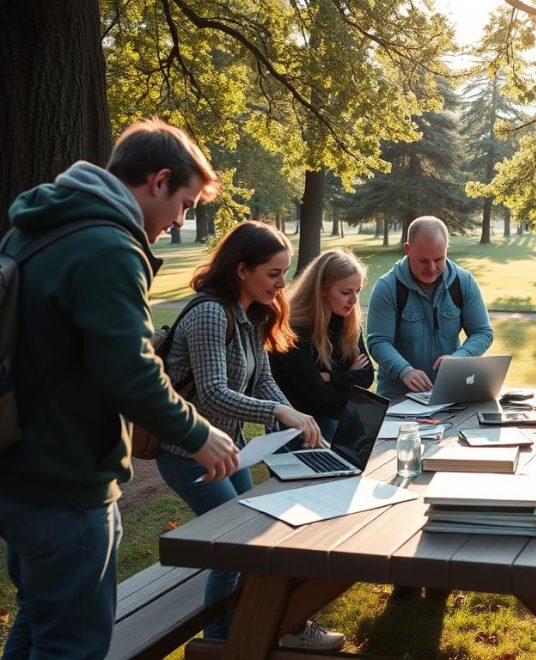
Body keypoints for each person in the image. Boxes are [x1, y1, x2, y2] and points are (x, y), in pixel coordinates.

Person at [0, 118, 239, 659]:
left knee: (39, 624)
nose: (179, 220)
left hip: (18, 471)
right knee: (74, 643)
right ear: (157, 181)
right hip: (66, 481)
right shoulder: (109, 244)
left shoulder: (43, 225)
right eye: (184, 203)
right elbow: (127, 370)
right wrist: (199, 434)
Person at [156, 221, 344, 650]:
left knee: (256, 540)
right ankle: (219, 645)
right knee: (232, 547)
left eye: (285, 273)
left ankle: (268, 625)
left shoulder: (251, 313)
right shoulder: (208, 313)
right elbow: (215, 395)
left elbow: (262, 383)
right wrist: (278, 411)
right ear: (242, 269)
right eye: (273, 274)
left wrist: (294, 415)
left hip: (231, 450)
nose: (282, 286)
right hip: (188, 453)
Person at [367, 216, 494, 398]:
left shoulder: (464, 282)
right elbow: (378, 342)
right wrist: (404, 370)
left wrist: (457, 359)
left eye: (439, 259)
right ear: (407, 250)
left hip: (449, 392)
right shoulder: (387, 287)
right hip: (398, 396)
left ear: (446, 250)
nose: (432, 268)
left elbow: (483, 333)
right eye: (423, 261)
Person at [270, 248, 374, 440]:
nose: (354, 301)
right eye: (345, 292)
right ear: (323, 289)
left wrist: (331, 377)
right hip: (296, 429)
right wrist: (350, 375)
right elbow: (316, 397)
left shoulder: (348, 320)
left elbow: (367, 376)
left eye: (357, 291)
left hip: (339, 420)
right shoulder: (294, 328)